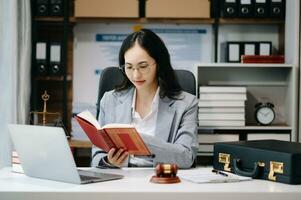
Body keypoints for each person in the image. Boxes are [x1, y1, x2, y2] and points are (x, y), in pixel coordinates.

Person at [91, 28, 198, 169]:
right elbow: (96, 156)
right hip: (120, 180)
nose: (135, 75)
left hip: (162, 181)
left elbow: (186, 157)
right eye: (129, 67)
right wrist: (109, 161)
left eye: (143, 66)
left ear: (158, 64)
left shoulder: (186, 103)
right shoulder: (109, 100)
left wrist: (140, 142)